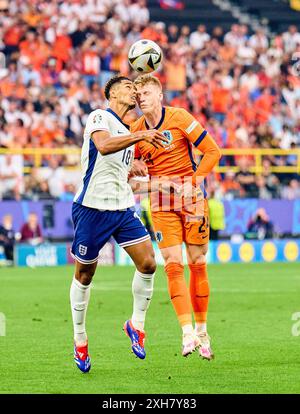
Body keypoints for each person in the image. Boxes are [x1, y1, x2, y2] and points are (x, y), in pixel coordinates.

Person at [70, 75, 167, 373]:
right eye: (129, 87)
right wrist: (139, 138)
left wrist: (138, 171)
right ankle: (80, 340)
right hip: (92, 209)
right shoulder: (99, 116)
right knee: (85, 274)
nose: (134, 91)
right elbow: (103, 146)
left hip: (122, 208)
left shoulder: (128, 130)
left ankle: (136, 325)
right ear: (113, 94)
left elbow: (118, 171)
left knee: (149, 264)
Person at [130, 75, 221, 359]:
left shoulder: (180, 117)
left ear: (159, 95)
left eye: (146, 92)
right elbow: (132, 184)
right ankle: (187, 332)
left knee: (197, 262)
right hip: (160, 203)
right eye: (138, 94)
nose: (140, 98)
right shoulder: (135, 132)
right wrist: (136, 169)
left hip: (192, 200)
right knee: (172, 264)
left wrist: (194, 181)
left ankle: (203, 330)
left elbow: (212, 151)